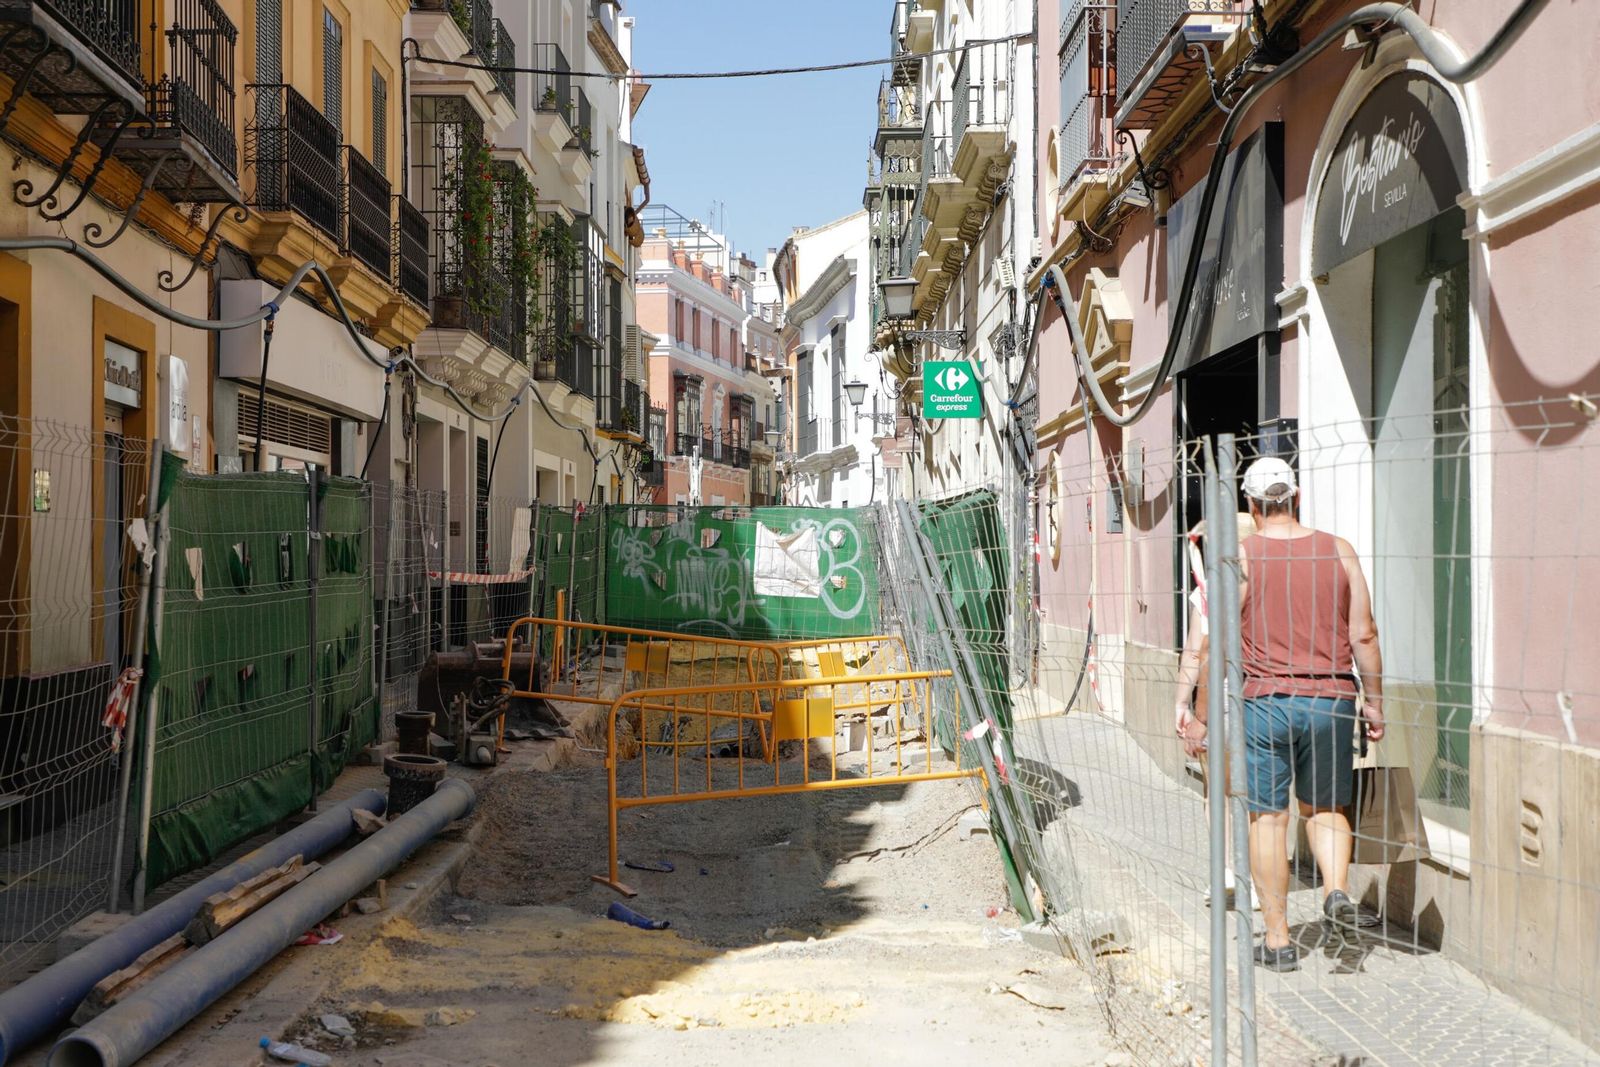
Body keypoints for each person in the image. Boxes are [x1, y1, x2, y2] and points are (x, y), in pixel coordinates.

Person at [1236, 457, 1384, 972]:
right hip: (1332, 700)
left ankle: (1278, 941)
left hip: (1266, 701)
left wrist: (1202, 710)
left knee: (1268, 819)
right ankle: (1337, 891)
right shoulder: (1339, 550)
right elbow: (1363, 634)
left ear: (1252, 506)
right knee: (1325, 807)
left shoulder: (1243, 556)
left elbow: (1218, 639)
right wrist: (1375, 701)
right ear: (1295, 498)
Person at [1173, 512, 1260, 909]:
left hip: (1218, 697)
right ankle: (1256, 880)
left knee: (1217, 792)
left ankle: (1225, 872)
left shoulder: (1208, 592)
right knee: (1254, 794)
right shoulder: (1267, 583)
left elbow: (1198, 650)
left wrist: (1183, 703)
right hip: (1262, 697)